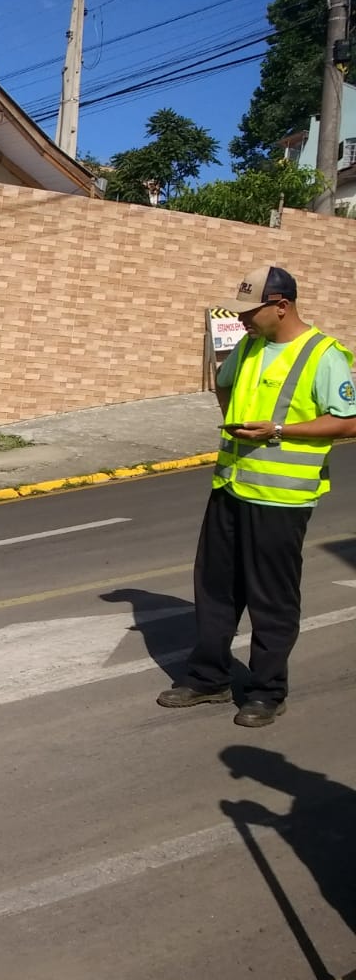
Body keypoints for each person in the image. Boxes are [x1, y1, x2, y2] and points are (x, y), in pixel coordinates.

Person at [158, 265, 356, 727]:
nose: (242, 318)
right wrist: (235, 422)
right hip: (229, 485)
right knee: (214, 588)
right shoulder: (248, 346)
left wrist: (279, 430)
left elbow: (348, 421)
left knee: (271, 598)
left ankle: (267, 690)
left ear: (281, 306)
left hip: (281, 499)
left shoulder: (322, 354)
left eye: (251, 310)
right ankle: (209, 678)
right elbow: (225, 385)